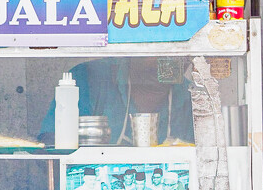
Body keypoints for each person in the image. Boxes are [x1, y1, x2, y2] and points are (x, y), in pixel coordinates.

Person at [40, 57, 195, 146]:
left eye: (179, 55)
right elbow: (48, 147)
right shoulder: (88, 78)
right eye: (158, 49)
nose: (166, 63)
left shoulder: (193, 97)